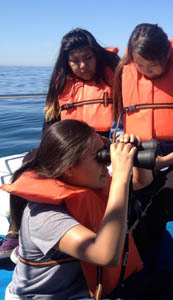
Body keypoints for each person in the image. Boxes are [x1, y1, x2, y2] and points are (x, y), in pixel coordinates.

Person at [0, 28, 119, 260]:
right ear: (67, 63)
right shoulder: (61, 84)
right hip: (68, 147)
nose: (83, 65)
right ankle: (15, 230)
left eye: (88, 58)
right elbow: (50, 127)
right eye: (75, 61)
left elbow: (125, 121)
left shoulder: (114, 80)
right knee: (28, 163)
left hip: (101, 147)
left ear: (96, 55)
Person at [0, 119, 153, 299]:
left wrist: (135, 154)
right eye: (99, 157)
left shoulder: (86, 183)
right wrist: (120, 178)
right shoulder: (43, 215)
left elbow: (141, 182)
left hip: (78, 288)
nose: (106, 164)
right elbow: (106, 255)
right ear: (69, 168)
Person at [112, 23, 173, 260]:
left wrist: (163, 161)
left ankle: (133, 266)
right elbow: (117, 127)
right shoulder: (126, 77)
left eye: (152, 66)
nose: (145, 71)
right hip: (139, 160)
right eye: (139, 65)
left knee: (160, 207)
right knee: (117, 204)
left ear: (166, 54)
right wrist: (122, 137)